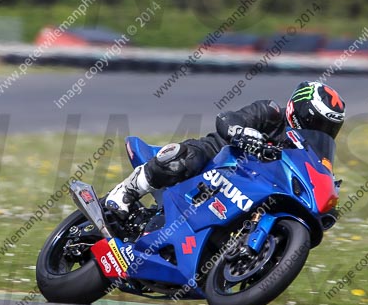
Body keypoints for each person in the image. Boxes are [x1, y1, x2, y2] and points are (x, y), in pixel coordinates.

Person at [105, 81, 346, 219]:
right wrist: (242, 133)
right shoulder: (271, 112)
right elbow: (227, 118)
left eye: (329, 127)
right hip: (218, 159)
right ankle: (125, 191)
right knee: (182, 159)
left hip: (255, 188)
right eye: (316, 122)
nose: (321, 130)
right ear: (298, 108)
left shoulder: (310, 153)